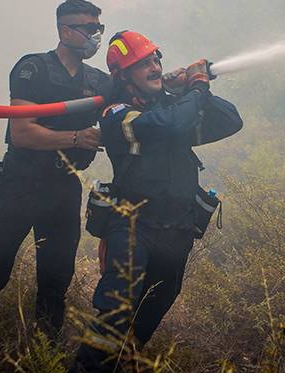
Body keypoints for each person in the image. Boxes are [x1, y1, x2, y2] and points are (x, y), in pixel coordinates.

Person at [0, 0, 112, 372]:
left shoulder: (99, 81)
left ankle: (42, 362)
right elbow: (22, 132)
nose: (95, 36)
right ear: (65, 30)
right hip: (19, 187)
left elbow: (134, 96)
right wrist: (76, 138)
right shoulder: (33, 68)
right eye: (88, 28)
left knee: (55, 288)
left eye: (98, 28)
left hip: (63, 190)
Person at [72, 30, 243, 372]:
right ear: (124, 76)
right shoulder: (116, 113)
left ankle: (121, 364)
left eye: (155, 60)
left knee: (154, 306)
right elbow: (169, 125)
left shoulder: (171, 106)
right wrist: (195, 88)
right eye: (143, 63)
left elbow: (230, 120)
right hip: (133, 226)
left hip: (177, 229)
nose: (154, 67)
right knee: (116, 312)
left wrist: (187, 89)